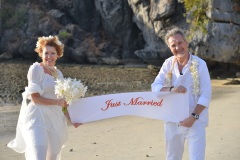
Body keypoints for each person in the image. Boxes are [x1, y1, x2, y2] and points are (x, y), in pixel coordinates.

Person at [8, 35, 81, 160]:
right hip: (37, 117)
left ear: (58, 55)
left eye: (52, 53)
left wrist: (72, 118)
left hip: (55, 119)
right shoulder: (36, 69)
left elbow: (63, 103)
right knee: (38, 156)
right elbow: (35, 98)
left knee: (52, 157)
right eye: (46, 53)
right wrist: (58, 102)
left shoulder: (59, 74)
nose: (49, 56)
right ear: (41, 53)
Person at [151, 28, 212, 160]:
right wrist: (172, 89)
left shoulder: (200, 65)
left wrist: (193, 117)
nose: (178, 47)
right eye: (173, 45)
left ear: (186, 42)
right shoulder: (168, 64)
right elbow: (155, 87)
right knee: (172, 158)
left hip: (195, 121)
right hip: (172, 121)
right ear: (169, 47)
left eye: (180, 43)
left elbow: (206, 95)